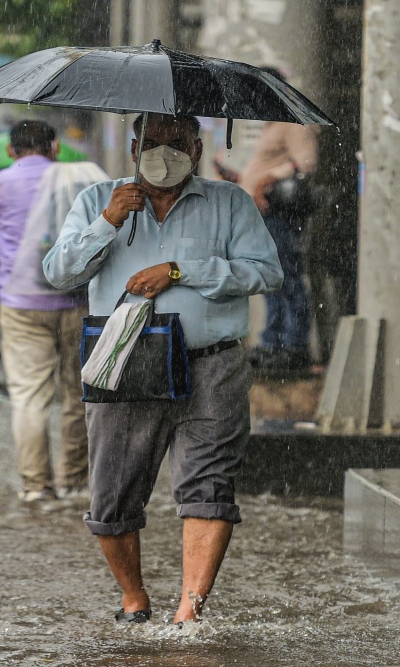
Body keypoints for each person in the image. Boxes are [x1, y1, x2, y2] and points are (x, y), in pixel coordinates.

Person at [43, 113, 282, 625]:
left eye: (177, 143)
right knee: (111, 497)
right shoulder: (96, 202)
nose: (164, 153)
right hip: (124, 365)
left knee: (209, 487)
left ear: (198, 150)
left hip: (211, 365)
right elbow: (59, 273)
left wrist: (181, 271)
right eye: (153, 143)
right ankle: (134, 596)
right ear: (134, 149)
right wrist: (107, 222)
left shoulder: (230, 203)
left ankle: (189, 611)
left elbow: (266, 271)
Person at [0, 120, 104, 502]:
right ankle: (74, 481)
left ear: (10, 151)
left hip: (21, 303)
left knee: (29, 397)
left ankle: (35, 486)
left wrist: (4, 275)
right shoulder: (79, 183)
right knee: (78, 393)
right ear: (55, 148)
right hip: (78, 300)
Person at [239, 68, 320, 373]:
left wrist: (266, 180)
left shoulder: (291, 120)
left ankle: (294, 344)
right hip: (263, 211)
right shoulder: (271, 122)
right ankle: (273, 341)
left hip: (280, 210)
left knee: (287, 276)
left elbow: (306, 162)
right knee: (272, 276)